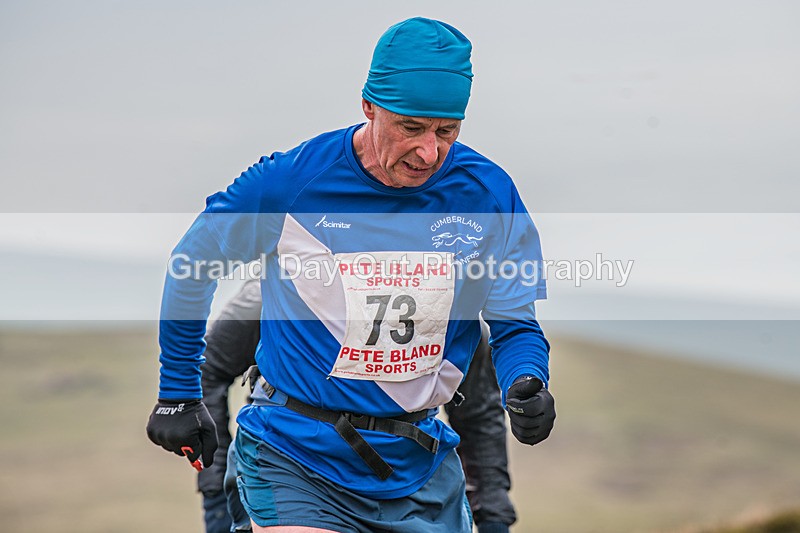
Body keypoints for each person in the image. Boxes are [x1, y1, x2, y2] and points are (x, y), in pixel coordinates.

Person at [147, 17, 556, 533]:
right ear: (369, 106)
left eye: (446, 132)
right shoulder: (291, 183)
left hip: (420, 465)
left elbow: (515, 322)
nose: (428, 152)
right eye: (411, 128)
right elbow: (191, 266)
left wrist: (528, 380)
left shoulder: (490, 196)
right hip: (294, 454)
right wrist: (177, 392)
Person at [199, 279, 518, 533]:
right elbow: (208, 369)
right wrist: (215, 494)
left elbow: (477, 409)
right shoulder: (276, 292)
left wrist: (492, 512)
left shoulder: (447, 300)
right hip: (293, 466)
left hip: (415, 481)